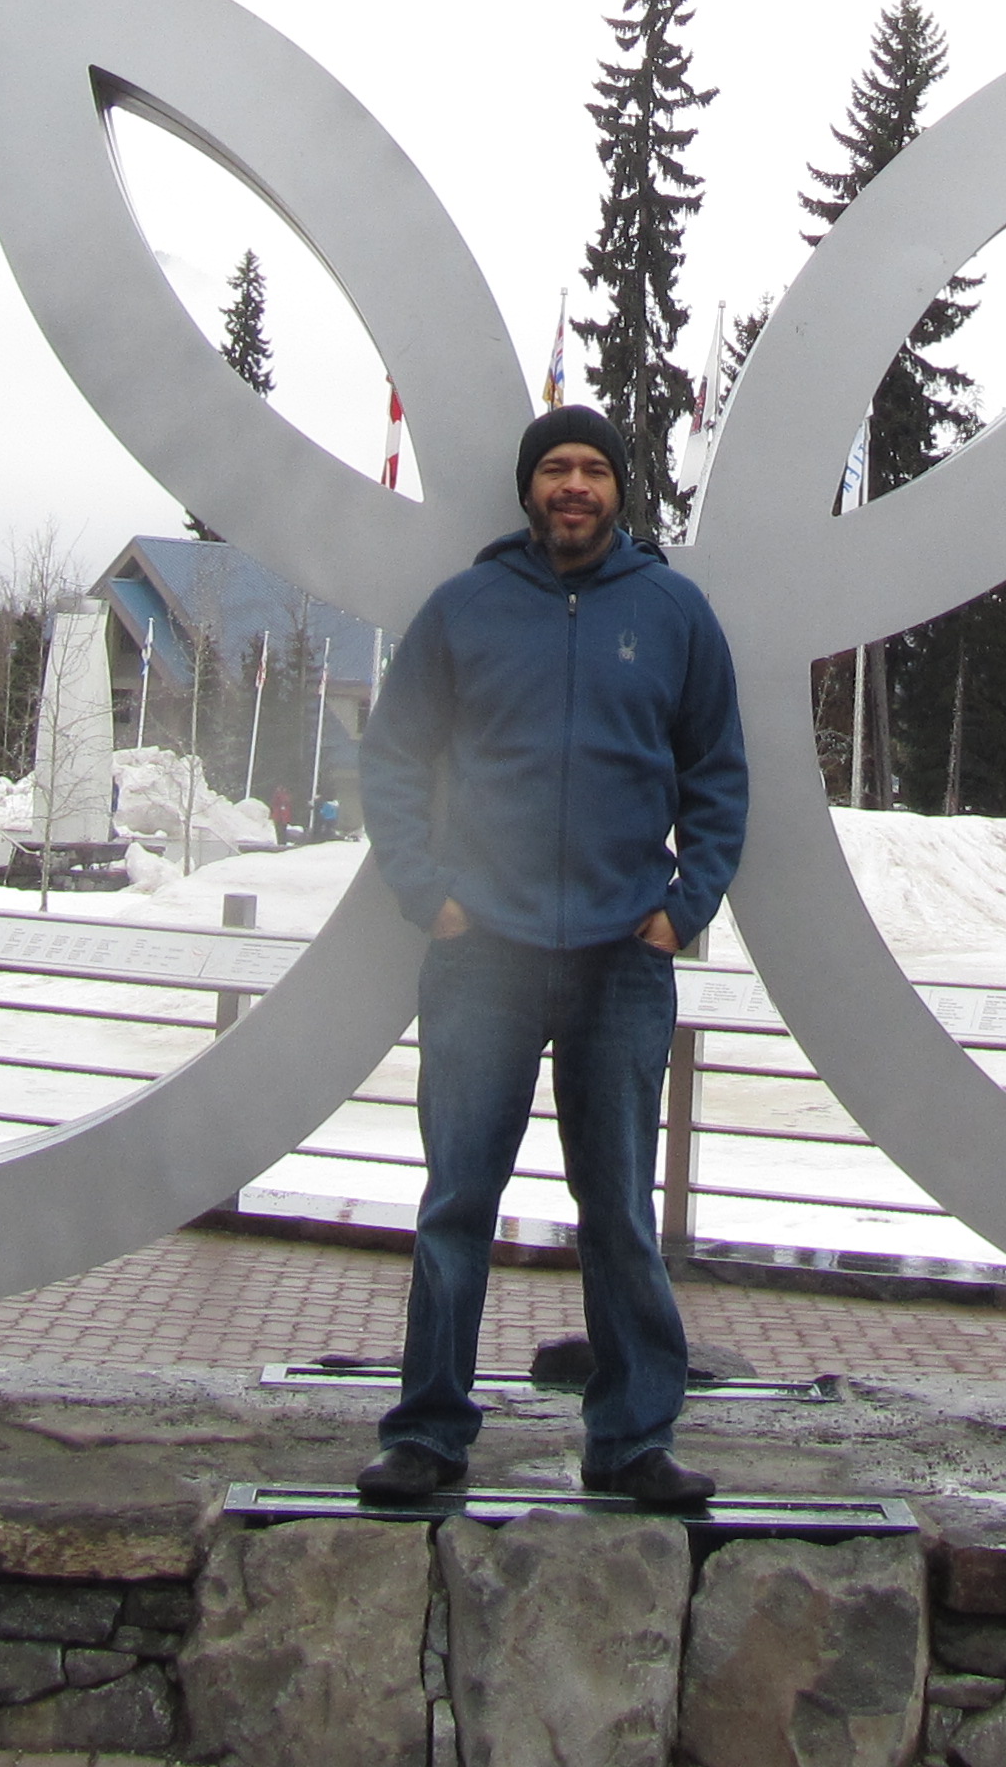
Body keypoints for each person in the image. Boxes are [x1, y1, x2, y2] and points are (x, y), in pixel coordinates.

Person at [353, 405, 747, 1515]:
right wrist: (426, 891)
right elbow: (394, 757)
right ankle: (428, 1431)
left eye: (594, 470)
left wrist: (682, 908)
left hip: (623, 956)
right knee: (456, 1201)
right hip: (483, 952)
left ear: (620, 489)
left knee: (618, 1210)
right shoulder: (466, 608)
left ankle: (632, 1438)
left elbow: (717, 773)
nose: (574, 486)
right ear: (529, 489)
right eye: (556, 469)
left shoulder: (673, 612)